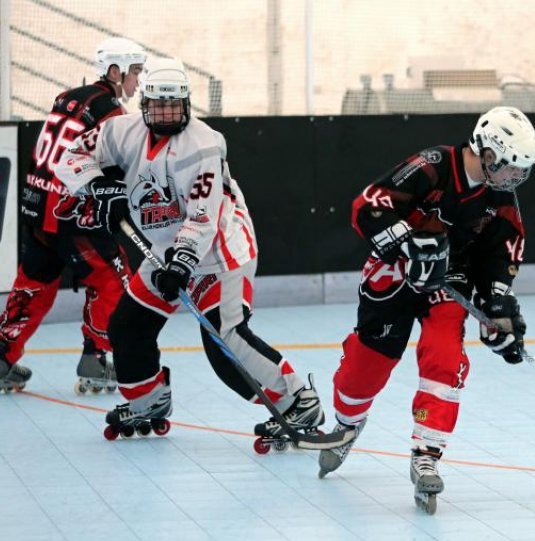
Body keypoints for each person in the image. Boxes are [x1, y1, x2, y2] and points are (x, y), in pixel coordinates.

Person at [54, 57, 323, 439]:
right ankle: (147, 399)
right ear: (144, 104)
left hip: (219, 251)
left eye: (174, 105)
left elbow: (202, 217)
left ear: (187, 104)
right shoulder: (119, 131)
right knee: (128, 327)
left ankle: (297, 401)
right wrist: (99, 188)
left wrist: (181, 264)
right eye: (158, 105)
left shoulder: (204, 146)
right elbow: (71, 157)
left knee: (224, 340)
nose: (166, 113)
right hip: (163, 248)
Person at [316, 106, 535, 512]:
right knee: (365, 366)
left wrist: (498, 305)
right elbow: (367, 207)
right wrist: (408, 242)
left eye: (520, 171)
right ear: (487, 152)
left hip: (448, 283)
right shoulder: (434, 166)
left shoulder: (501, 197)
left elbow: (502, 252)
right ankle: (348, 423)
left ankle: (427, 453)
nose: (514, 179)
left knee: (445, 355)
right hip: (395, 271)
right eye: (510, 168)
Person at [0, 37, 146, 395]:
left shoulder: (69, 96)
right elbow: (116, 163)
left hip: (38, 205)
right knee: (113, 280)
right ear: (115, 71)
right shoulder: (111, 110)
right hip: (70, 214)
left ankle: (2, 356)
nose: (138, 82)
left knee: (34, 281)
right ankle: (95, 359)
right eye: (135, 73)